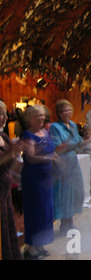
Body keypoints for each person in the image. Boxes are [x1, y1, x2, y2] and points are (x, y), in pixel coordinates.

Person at [20, 105, 57, 259]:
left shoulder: (45, 132)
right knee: (35, 211)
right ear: (29, 118)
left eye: (42, 115)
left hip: (46, 178)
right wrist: (49, 158)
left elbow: (52, 150)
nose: (41, 118)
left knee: (45, 211)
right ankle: (31, 247)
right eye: (37, 116)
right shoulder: (28, 135)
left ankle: (40, 243)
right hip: (33, 179)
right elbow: (30, 158)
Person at [49, 99, 85, 235]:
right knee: (64, 193)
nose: (67, 113)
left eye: (69, 110)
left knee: (75, 192)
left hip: (73, 162)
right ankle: (64, 223)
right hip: (62, 164)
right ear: (59, 113)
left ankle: (70, 220)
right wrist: (71, 143)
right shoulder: (55, 127)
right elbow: (57, 147)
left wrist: (89, 141)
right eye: (64, 111)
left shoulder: (74, 125)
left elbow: (79, 142)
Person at [0, 100, 23, 260]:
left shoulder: (3, 136)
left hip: (5, 189)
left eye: (4, 113)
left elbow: (10, 163)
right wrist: (11, 153)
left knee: (7, 226)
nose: (2, 117)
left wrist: (17, 153)